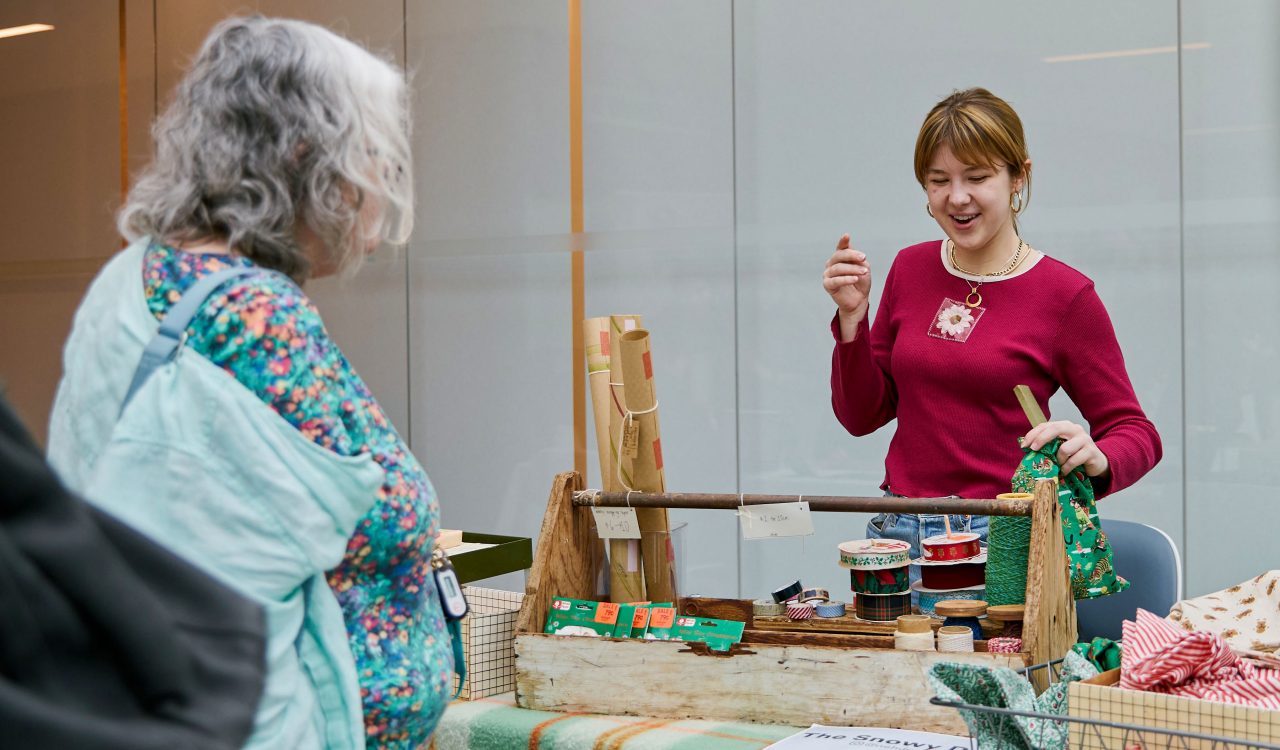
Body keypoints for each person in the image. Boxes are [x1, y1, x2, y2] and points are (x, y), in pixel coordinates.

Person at [47, 16, 450, 749]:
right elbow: (248, 588)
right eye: (371, 158)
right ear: (303, 153)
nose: (380, 194)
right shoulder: (253, 315)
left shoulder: (137, 275)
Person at [822, 87, 1161, 563]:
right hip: (898, 531)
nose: (957, 198)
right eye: (939, 180)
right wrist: (852, 318)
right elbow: (861, 417)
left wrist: (1098, 457)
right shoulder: (910, 267)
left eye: (977, 177)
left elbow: (1135, 431)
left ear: (1019, 176)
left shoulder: (1065, 295)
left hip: (1008, 534)